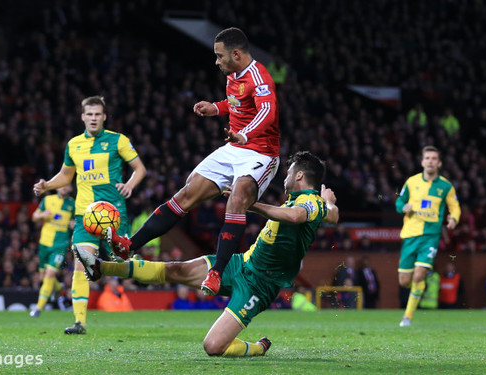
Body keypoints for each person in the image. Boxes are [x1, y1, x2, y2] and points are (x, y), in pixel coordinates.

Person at [74, 151, 338, 357]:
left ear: (300, 175)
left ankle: (257, 348)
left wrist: (250, 204)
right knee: (176, 270)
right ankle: (101, 268)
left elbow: (294, 216)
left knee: (213, 346)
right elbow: (332, 215)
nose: (285, 177)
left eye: (289, 172)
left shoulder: (308, 202)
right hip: (242, 263)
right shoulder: (315, 203)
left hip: (260, 285)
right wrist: (330, 203)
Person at [106, 27, 280, 297]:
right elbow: (237, 104)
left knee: (238, 196)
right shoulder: (233, 74)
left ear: (236, 53)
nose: (216, 61)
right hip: (234, 146)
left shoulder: (259, 76)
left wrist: (244, 133)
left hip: (260, 152)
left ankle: (216, 273)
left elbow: (267, 111)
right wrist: (217, 107)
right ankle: (129, 246)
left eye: (220, 56)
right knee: (186, 194)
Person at [33, 96, 146, 334]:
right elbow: (65, 176)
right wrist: (47, 186)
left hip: (113, 213)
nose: (93, 118)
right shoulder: (74, 144)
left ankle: (150, 273)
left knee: (123, 263)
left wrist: (130, 185)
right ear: (82, 117)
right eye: (89, 114)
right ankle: (80, 322)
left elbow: (140, 169)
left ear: (104, 117)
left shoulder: (118, 140)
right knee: (80, 263)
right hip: (86, 214)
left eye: (97, 114)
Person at [396, 145, 461, 327]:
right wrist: (403, 207)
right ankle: (419, 289)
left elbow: (455, 206)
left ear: (439, 163)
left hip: (431, 236)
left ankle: (407, 317)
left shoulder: (445, 186)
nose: (430, 161)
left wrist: (453, 219)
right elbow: (399, 201)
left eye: (434, 158)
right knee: (404, 281)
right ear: (422, 161)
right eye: (428, 158)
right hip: (410, 235)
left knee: (418, 276)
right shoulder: (411, 182)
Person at [29, 185, 75, 317]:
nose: (64, 188)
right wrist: (42, 215)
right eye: (62, 185)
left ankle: (38, 308)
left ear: (70, 188)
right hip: (44, 243)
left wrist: (74, 224)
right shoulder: (48, 200)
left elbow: (77, 221)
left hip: (60, 245)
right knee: (43, 277)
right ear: (57, 187)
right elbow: (34, 216)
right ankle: (59, 287)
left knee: (49, 274)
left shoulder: (73, 204)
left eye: (67, 186)